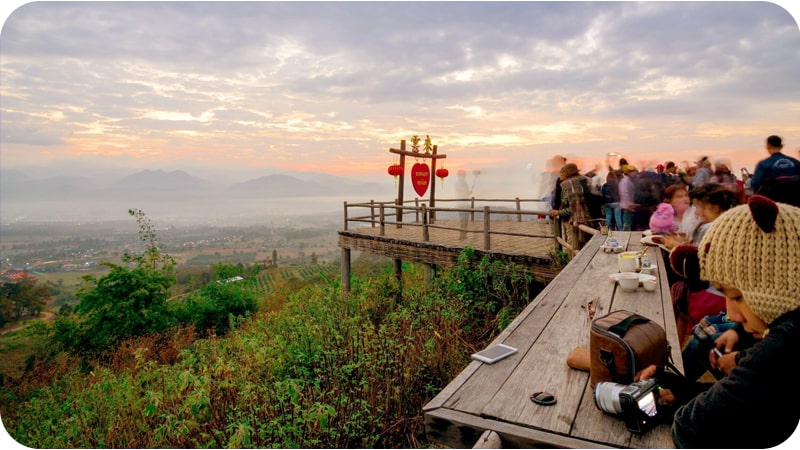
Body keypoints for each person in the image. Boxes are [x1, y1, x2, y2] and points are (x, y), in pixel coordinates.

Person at [637, 195, 800, 448]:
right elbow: (745, 402)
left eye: (735, 296)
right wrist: (674, 386)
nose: (731, 313)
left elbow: (690, 429)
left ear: (777, 286)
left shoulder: (782, 348)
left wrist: (674, 408)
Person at [550, 163, 592, 247]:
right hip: (589, 219)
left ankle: (574, 260)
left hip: (573, 219)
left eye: (562, 172)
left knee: (573, 244)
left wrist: (558, 212)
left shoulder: (567, 184)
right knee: (585, 244)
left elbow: (572, 208)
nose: (560, 174)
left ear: (567, 173)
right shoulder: (585, 180)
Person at [618, 165, 636, 231]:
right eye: (633, 172)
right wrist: (629, 204)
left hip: (628, 206)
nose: (635, 173)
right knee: (627, 225)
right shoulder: (626, 181)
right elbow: (625, 193)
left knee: (628, 224)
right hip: (628, 206)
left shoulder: (626, 181)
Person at [454, 170, 471, 239]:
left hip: (465, 203)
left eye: (464, 175)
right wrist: (467, 192)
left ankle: (464, 235)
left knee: (465, 220)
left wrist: (468, 193)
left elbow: (464, 192)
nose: (464, 176)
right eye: (463, 175)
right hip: (461, 204)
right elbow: (460, 192)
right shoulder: (458, 183)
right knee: (463, 220)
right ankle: (462, 235)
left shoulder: (464, 183)